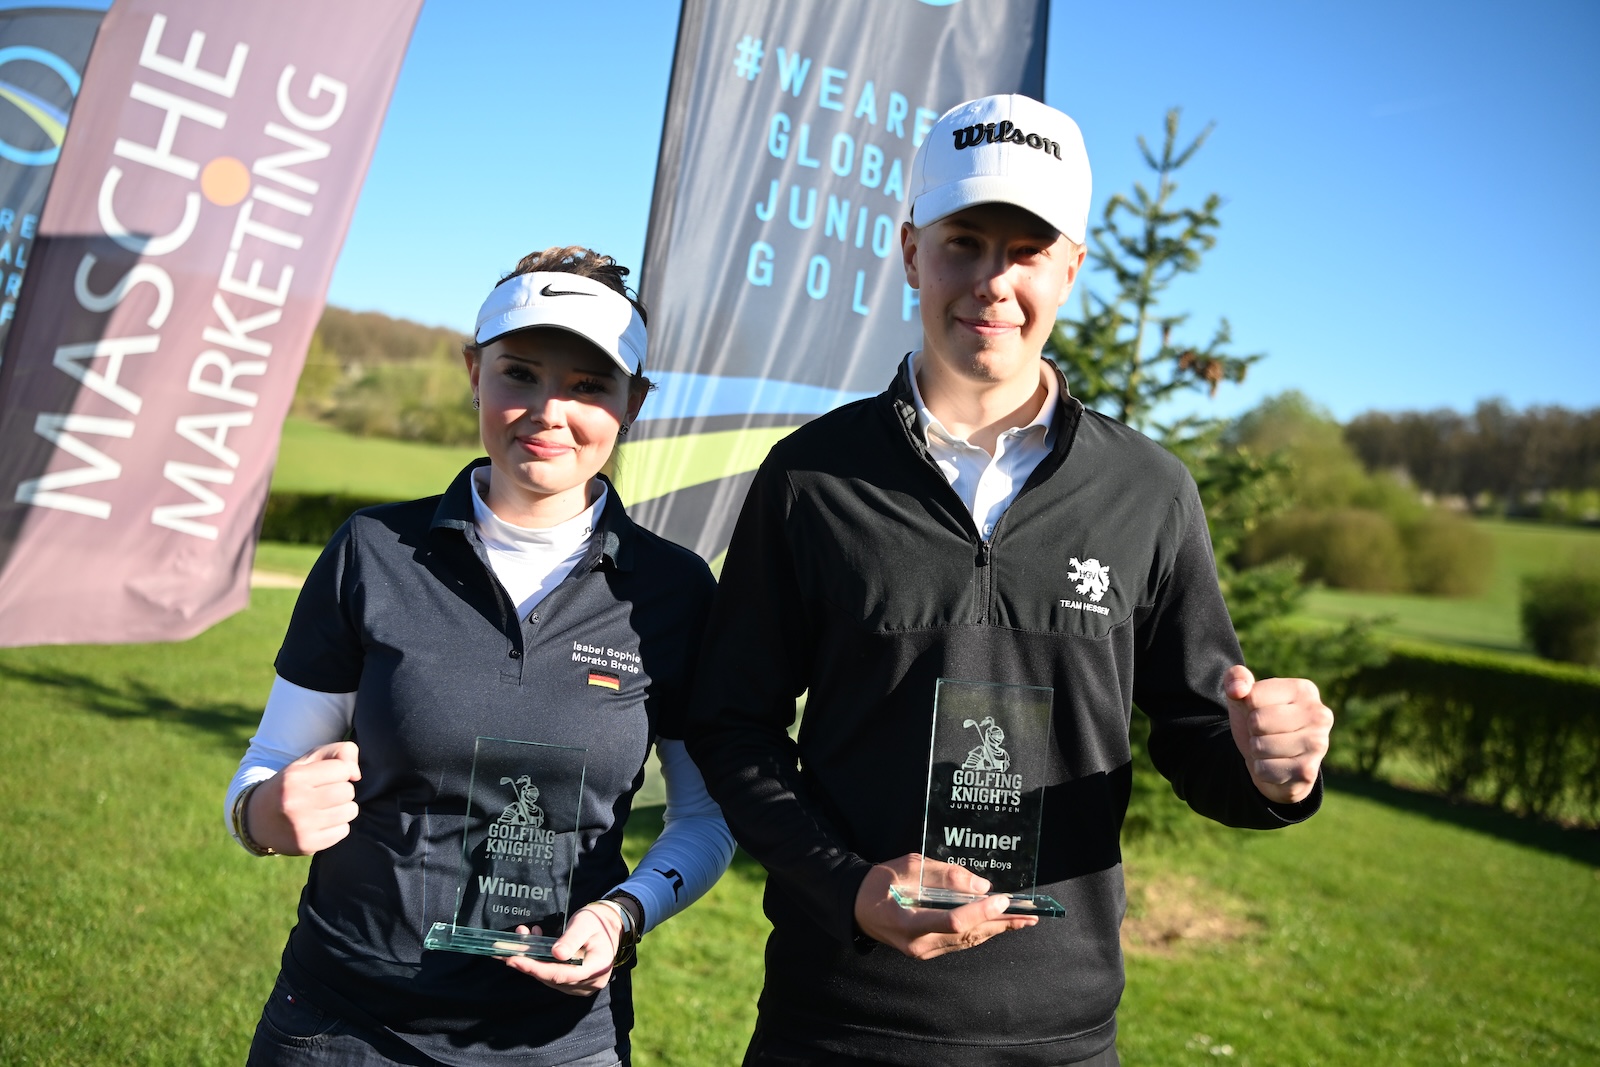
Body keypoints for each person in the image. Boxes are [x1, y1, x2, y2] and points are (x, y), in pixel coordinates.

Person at [684, 95, 1334, 1066]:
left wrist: (1271, 770)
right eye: (964, 242)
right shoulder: (809, 476)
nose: (992, 280)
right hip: (836, 1022)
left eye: (1026, 250)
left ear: (1070, 266)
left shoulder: (1146, 491)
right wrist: (845, 883)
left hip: (1056, 1036)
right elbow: (732, 723)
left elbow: (1202, 734)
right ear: (910, 251)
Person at [225, 247, 734, 1067]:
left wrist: (623, 913)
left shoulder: (674, 591)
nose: (548, 410)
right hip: (343, 1024)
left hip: (556, 1043)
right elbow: (267, 769)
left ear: (634, 401)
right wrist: (260, 816)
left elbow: (704, 818)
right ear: (473, 370)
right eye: (521, 373)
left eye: (589, 385)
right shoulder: (372, 550)